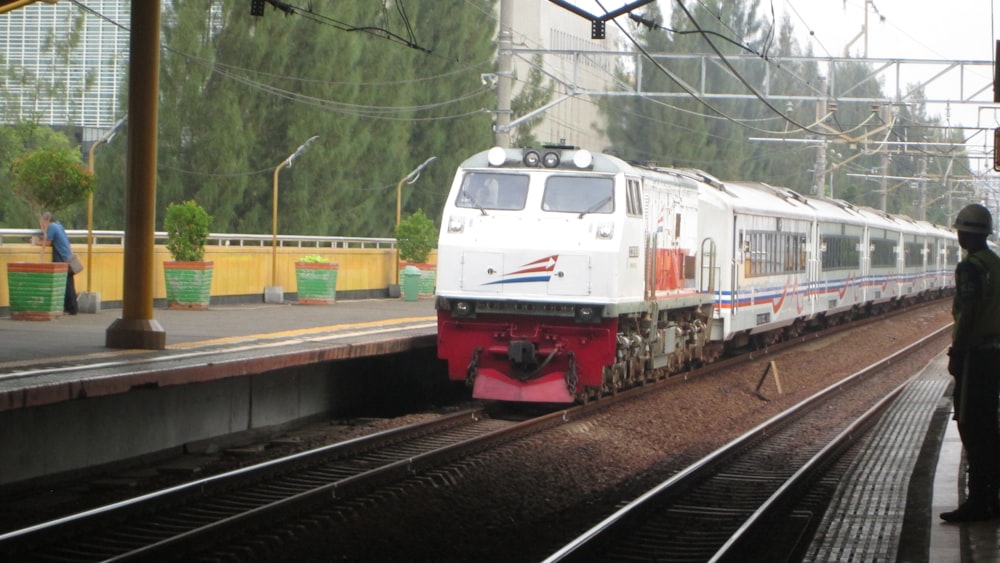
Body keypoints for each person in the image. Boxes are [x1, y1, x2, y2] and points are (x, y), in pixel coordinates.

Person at [940, 203, 1000, 522]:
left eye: (960, 230)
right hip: (996, 353)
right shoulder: (995, 263)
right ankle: (993, 495)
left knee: (971, 426)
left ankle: (979, 500)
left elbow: (970, 311)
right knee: (989, 425)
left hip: (976, 355)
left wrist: (957, 351)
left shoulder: (970, 268)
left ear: (966, 233)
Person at [33, 211, 78, 315]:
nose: (42, 225)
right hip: (68, 256)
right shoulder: (59, 225)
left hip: (62, 258)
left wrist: (36, 242)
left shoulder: (52, 227)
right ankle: (72, 308)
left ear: (46, 220)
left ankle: (70, 308)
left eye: (42, 223)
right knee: (69, 283)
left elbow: (48, 242)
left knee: (66, 284)